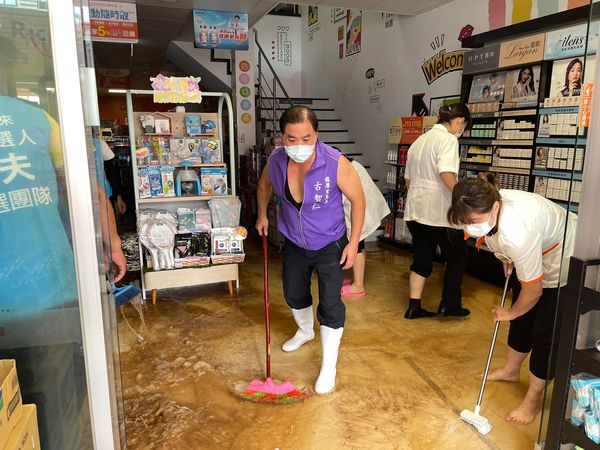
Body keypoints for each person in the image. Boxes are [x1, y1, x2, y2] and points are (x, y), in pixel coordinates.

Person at [447, 174, 576, 425]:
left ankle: (533, 398)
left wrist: (511, 312)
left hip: (563, 256)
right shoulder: (491, 207)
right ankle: (511, 370)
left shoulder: (517, 231)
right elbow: (499, 241)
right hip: (533, 248)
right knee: (522, 319)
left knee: (543, 332)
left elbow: (534, 291)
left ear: (495, 208)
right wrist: (507, 258)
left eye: (473, 221)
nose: (468, 227)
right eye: (464, 222)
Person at [256, 105, 365, 394]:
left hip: (331, 243)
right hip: (294, 241)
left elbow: (359, 200)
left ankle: (329, 365)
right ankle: (304, 331)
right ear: (282, 137)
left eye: (306, 138)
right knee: (294, 292)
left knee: (330, 303)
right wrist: (262, 215)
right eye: (292, 139)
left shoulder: (335, 162)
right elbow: (264, 185)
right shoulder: (277, 160)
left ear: (316, 134)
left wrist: (353, 244)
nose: (299, 145)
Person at [403, 103, 471, 319]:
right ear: (460, 122)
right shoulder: (448, 140)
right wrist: (462, 198)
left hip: (415, 211)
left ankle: (414, 306)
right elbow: (446, 173)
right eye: (464, 126)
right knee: (457, 256)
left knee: (422, 257)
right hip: (439, 213)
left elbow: (407, 182)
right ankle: (450, 305)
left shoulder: (418, 142)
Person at [330, 148, 390, 297]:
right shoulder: (351, 163)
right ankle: (355, 279)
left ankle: (358, 286)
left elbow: (346, 198)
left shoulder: (344, 169)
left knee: (355, 244)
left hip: (360, 209)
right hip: (364, 207)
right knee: (359, 243)